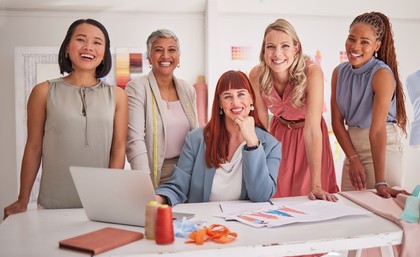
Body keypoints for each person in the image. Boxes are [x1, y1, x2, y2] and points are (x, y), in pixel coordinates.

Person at [4, 19, 128, 218]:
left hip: (99, 205)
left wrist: (110, 198)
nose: (88, 47)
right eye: (81, 39)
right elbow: (33, 147)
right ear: (67, 47)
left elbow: (118, 149)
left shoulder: (118, 96)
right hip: (53, 204)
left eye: (97, 42)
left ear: (104, 52)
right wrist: (23, 199)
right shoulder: (43, 91)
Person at [155, 70, 281, 206]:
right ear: (220, 103)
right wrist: (158, 198)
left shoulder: (271, 145)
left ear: (251, 98)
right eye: (228, 96)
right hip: (204, 222)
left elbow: (261, 195)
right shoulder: (196, 139)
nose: (236, 102)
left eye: (241, 94)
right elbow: (178, 186)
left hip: (244, 223)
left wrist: (252, 143)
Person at [249, 19, 339, 202]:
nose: (277, 54)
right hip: (278, 135)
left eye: (285, 46)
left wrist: (316, 185)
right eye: (271, 47)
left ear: (296, 48)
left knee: (310, 197)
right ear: (264, 50)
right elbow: (261, 126)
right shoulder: (256, 75)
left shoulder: (312, 73)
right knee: (275, 197)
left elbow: (313, 130)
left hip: (310, 136)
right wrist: (258, 172)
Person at [331, 12, 409, 198]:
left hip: (383, 150)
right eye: (352, 39)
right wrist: (352, 158)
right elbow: (336, 123)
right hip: (352, 150)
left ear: (377, 46)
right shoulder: (339, 72)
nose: (355, 46)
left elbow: (377, 130)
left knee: (383, 212)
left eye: (364, 42)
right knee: (350, 210)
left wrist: (380, 181)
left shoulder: (381, 74)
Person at [126, 29, 198, 188]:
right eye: (158, 50)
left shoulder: (187, 90)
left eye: (171, 50)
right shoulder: (137, 88)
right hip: (155, 174)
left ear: (178, 57)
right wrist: (144, 184)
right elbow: (134, 140)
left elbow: (195, 136)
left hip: (188, 172)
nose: (165, 55)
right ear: (149, 57)